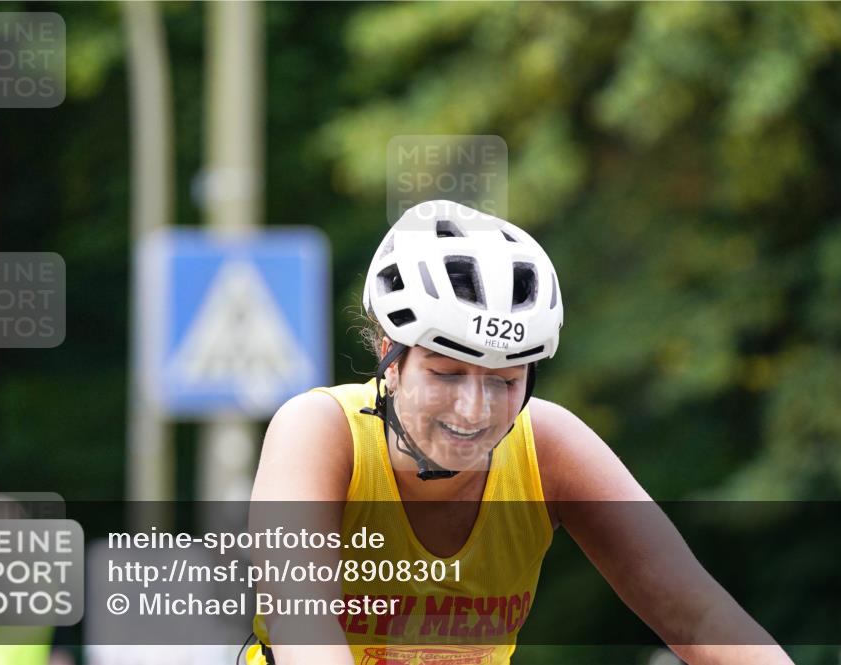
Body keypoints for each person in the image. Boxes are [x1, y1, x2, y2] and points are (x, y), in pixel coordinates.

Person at [245, 200, 794, 665]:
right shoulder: (317, 432)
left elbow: (699, 620)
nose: (473, 410)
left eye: (504, 381)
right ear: (389, 357)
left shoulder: (549, 446)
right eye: (445, 373)